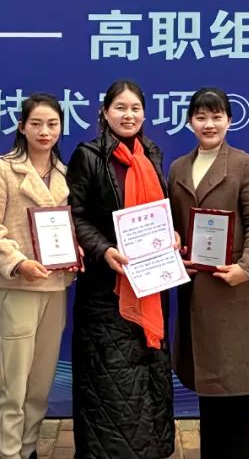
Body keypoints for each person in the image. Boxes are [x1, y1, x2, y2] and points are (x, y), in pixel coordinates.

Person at [66, 80, 176, 459]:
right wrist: (104, 250)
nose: (128, 115)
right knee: (109, 386)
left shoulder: (151, 154)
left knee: (149, 380)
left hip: (150, 286)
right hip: (106, 290)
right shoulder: (88, 156)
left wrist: (171, 233)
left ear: (144, 113)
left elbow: (160, 211)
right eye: (120, 108)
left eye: (135, 108)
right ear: (105, 112)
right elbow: (75, 215)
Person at [167, 86, 249, 459]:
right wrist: (175, 246)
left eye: (216, 116)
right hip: (196, 288)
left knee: (232, 388)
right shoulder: (179, 167)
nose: (209, 124)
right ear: (189, 122)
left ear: (229, 120)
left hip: (232, 286)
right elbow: (173, 224)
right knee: (208, 388)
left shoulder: (245, 165)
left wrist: (248, 266)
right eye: (201, 117)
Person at [0, 93, 77, 459]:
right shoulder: (1, 168)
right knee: (12, 381)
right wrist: (18, 262)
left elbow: (70, 227)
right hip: (16, 285)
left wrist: (76, 252)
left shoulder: (66, 173)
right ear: (22, 127)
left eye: (52, 124)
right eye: (36, 124)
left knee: (41, 379)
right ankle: (10, 450)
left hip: (56, 287)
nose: (44, 131)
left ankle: (29, 446)